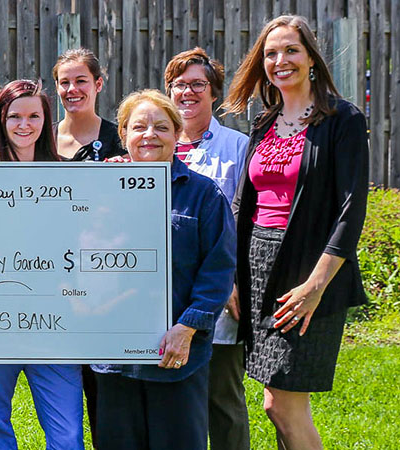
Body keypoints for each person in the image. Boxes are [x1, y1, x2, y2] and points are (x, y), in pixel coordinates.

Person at [221, 15, 369, 450]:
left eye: (290, 50)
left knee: (283, 406)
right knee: (273, 399)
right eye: (270, 53)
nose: (279, 61)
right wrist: (229, 271)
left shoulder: (342, 119)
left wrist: (315, 286)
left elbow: (351, 210)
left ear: (311, 59)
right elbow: (241, 203)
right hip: (257, 267)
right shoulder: (265, 122)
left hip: (307, 270)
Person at [93, 90, 235, 450]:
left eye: (161, 126)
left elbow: (218, 270)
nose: (149, 135)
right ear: (123, 134)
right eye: (138, 127)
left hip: (176, 356)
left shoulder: (204, 195)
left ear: (176, 133)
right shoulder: (96, 192)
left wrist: (186, 328)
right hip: (113, 357)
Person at [0, 79, 83, 450]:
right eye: (15, 116)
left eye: (34, 116)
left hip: (55, 323)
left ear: (47, 121)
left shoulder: (72, 177)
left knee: (66, 434)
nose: (24, 125)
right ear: (0, 120)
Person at [163, 47, 251, 450]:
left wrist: (231, 280)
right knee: (176, 400)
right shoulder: (152, 145)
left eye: (197, 84)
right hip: (164, 291)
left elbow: (245, 217)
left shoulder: (237, 147)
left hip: (220, 289)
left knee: (223, 398)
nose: (187, 93)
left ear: (213, 92)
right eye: (179, 85)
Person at [53, 48, 126, 162]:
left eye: (81, 81)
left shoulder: (120, 140)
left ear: (98, 84)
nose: (72, 89)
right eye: (65, 82)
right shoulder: (42, 138)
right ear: (57, 87)